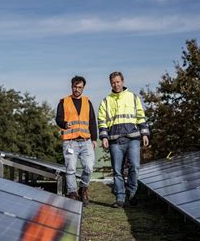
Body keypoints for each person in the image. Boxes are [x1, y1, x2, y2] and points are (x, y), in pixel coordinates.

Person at [98, 71, 149, 208]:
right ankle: (120, 198)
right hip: (115, 140)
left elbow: (141, 116)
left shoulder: (133, 97)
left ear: (123, 81)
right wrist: (103, 137)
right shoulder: (106, 100)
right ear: (111, 83)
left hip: (133, 138)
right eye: (113, 82)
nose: (116, 84)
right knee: (117, 170)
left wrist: (144, 134)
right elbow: (102, 120)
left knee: (135, 166)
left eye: (118, 81)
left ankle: (132, 193)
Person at [56, 75, 97, 206]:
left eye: (80, 87)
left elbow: (92, 122)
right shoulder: (63, 101)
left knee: (89, 167)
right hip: (70, 142)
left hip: (86, 141)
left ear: (83, 88)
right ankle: (72, 192)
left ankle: (83, 188)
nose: (77, 89)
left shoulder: (87, 102)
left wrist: (95, 139)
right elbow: (58, 118)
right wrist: (64, 124)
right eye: (75, 87)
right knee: (71, 169)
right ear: (71, 86)